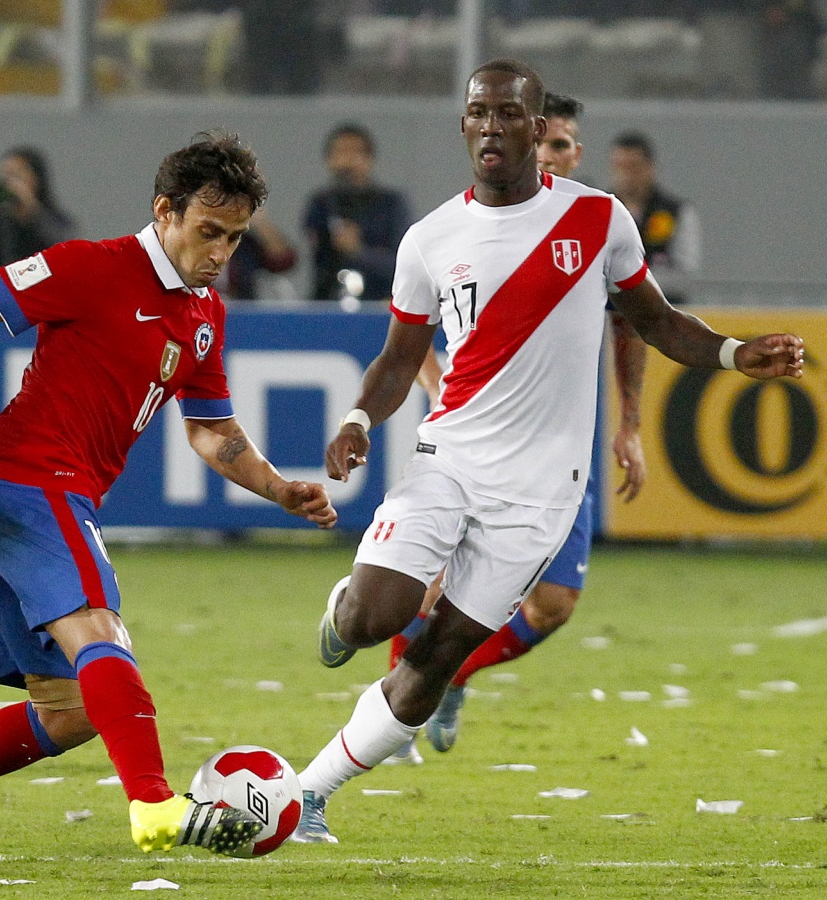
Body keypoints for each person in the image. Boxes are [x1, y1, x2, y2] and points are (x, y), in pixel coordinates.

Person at [296, 59, 803, 844]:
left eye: (508, 114)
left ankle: (307, 795)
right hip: (450, 463)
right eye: (477, 113)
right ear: (464, 125)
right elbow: (401, 357)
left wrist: (737, 356)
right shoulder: (431, 237)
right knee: (372, 620)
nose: (491, 127)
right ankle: (342, 608)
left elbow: (658, 322)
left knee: (438, 658)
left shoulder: (599, 220)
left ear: (538, 131)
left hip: (541, 496)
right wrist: (361, 418)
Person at [0, 131, 337, 872]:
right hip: (28, 478)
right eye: (208, 231)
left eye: (233, 237)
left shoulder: (204, 315)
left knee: (66, 714)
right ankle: (156, 803)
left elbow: (212, 433)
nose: (221, 251)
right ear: (165, 211)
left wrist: (277, 487)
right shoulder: (91, 266)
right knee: (101, 629)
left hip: (17, 493)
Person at [393, 92, 650, 762]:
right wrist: (439, 389)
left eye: (563, 146)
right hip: (474, 445)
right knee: (434, 585)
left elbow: (635, 324)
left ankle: (449, 677)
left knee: (554, 603)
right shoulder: (464, 227)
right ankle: (391, 712)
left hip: (559, 452)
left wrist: (630, 425)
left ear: (576, 153)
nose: (551, 156)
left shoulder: (596, 228)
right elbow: (407, 333)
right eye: (543, 144)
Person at [302, 123, 410, 301]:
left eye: (355, 152)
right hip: (329, 302)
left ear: (369, 158)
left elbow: (403, 263)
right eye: (340, 152)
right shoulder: (320, 204)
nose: (347, 161)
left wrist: (359, 252)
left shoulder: (391, 204)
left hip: (379, 302)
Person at [609, 131, 700, 305]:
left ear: (650, 167)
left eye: (633, 167)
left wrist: (629, 278)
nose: (625, 175)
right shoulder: (602, 211)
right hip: (613, 313)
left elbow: (684, 276)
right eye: (619, 167)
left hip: (665, 311)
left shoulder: (676, 212)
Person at [0, 146, 77, 277]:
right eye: (6, 176)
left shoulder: (54, 219)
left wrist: (31, 212)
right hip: (3, 290)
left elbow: (61, 251)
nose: (10, 183)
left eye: (17, 175)